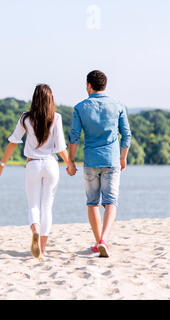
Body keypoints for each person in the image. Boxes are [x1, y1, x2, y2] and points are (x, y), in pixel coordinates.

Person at [0, 84, 75, 259]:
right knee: (47, 207)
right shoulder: (56, 117)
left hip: (33, 164)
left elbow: (13, 142)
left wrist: (1, 166)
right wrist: (70, 164)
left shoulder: (25, 118)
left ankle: (35, 229)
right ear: (50, 99)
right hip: (51, 165)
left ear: (34, 99)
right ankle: (42, 249)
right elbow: (60, 147)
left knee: (33, 206)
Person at [68, 70, 131, 258]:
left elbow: (74, 137)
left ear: (88, 85)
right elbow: (126, 134)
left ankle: (98, 242)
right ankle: (103, 239)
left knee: (92, 202)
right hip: (111, 160)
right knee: (111, 202)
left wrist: (71, 160)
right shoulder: (118, 105)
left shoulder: (80, 107)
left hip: (90, 161)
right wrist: (123, 157)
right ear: (105, 85)